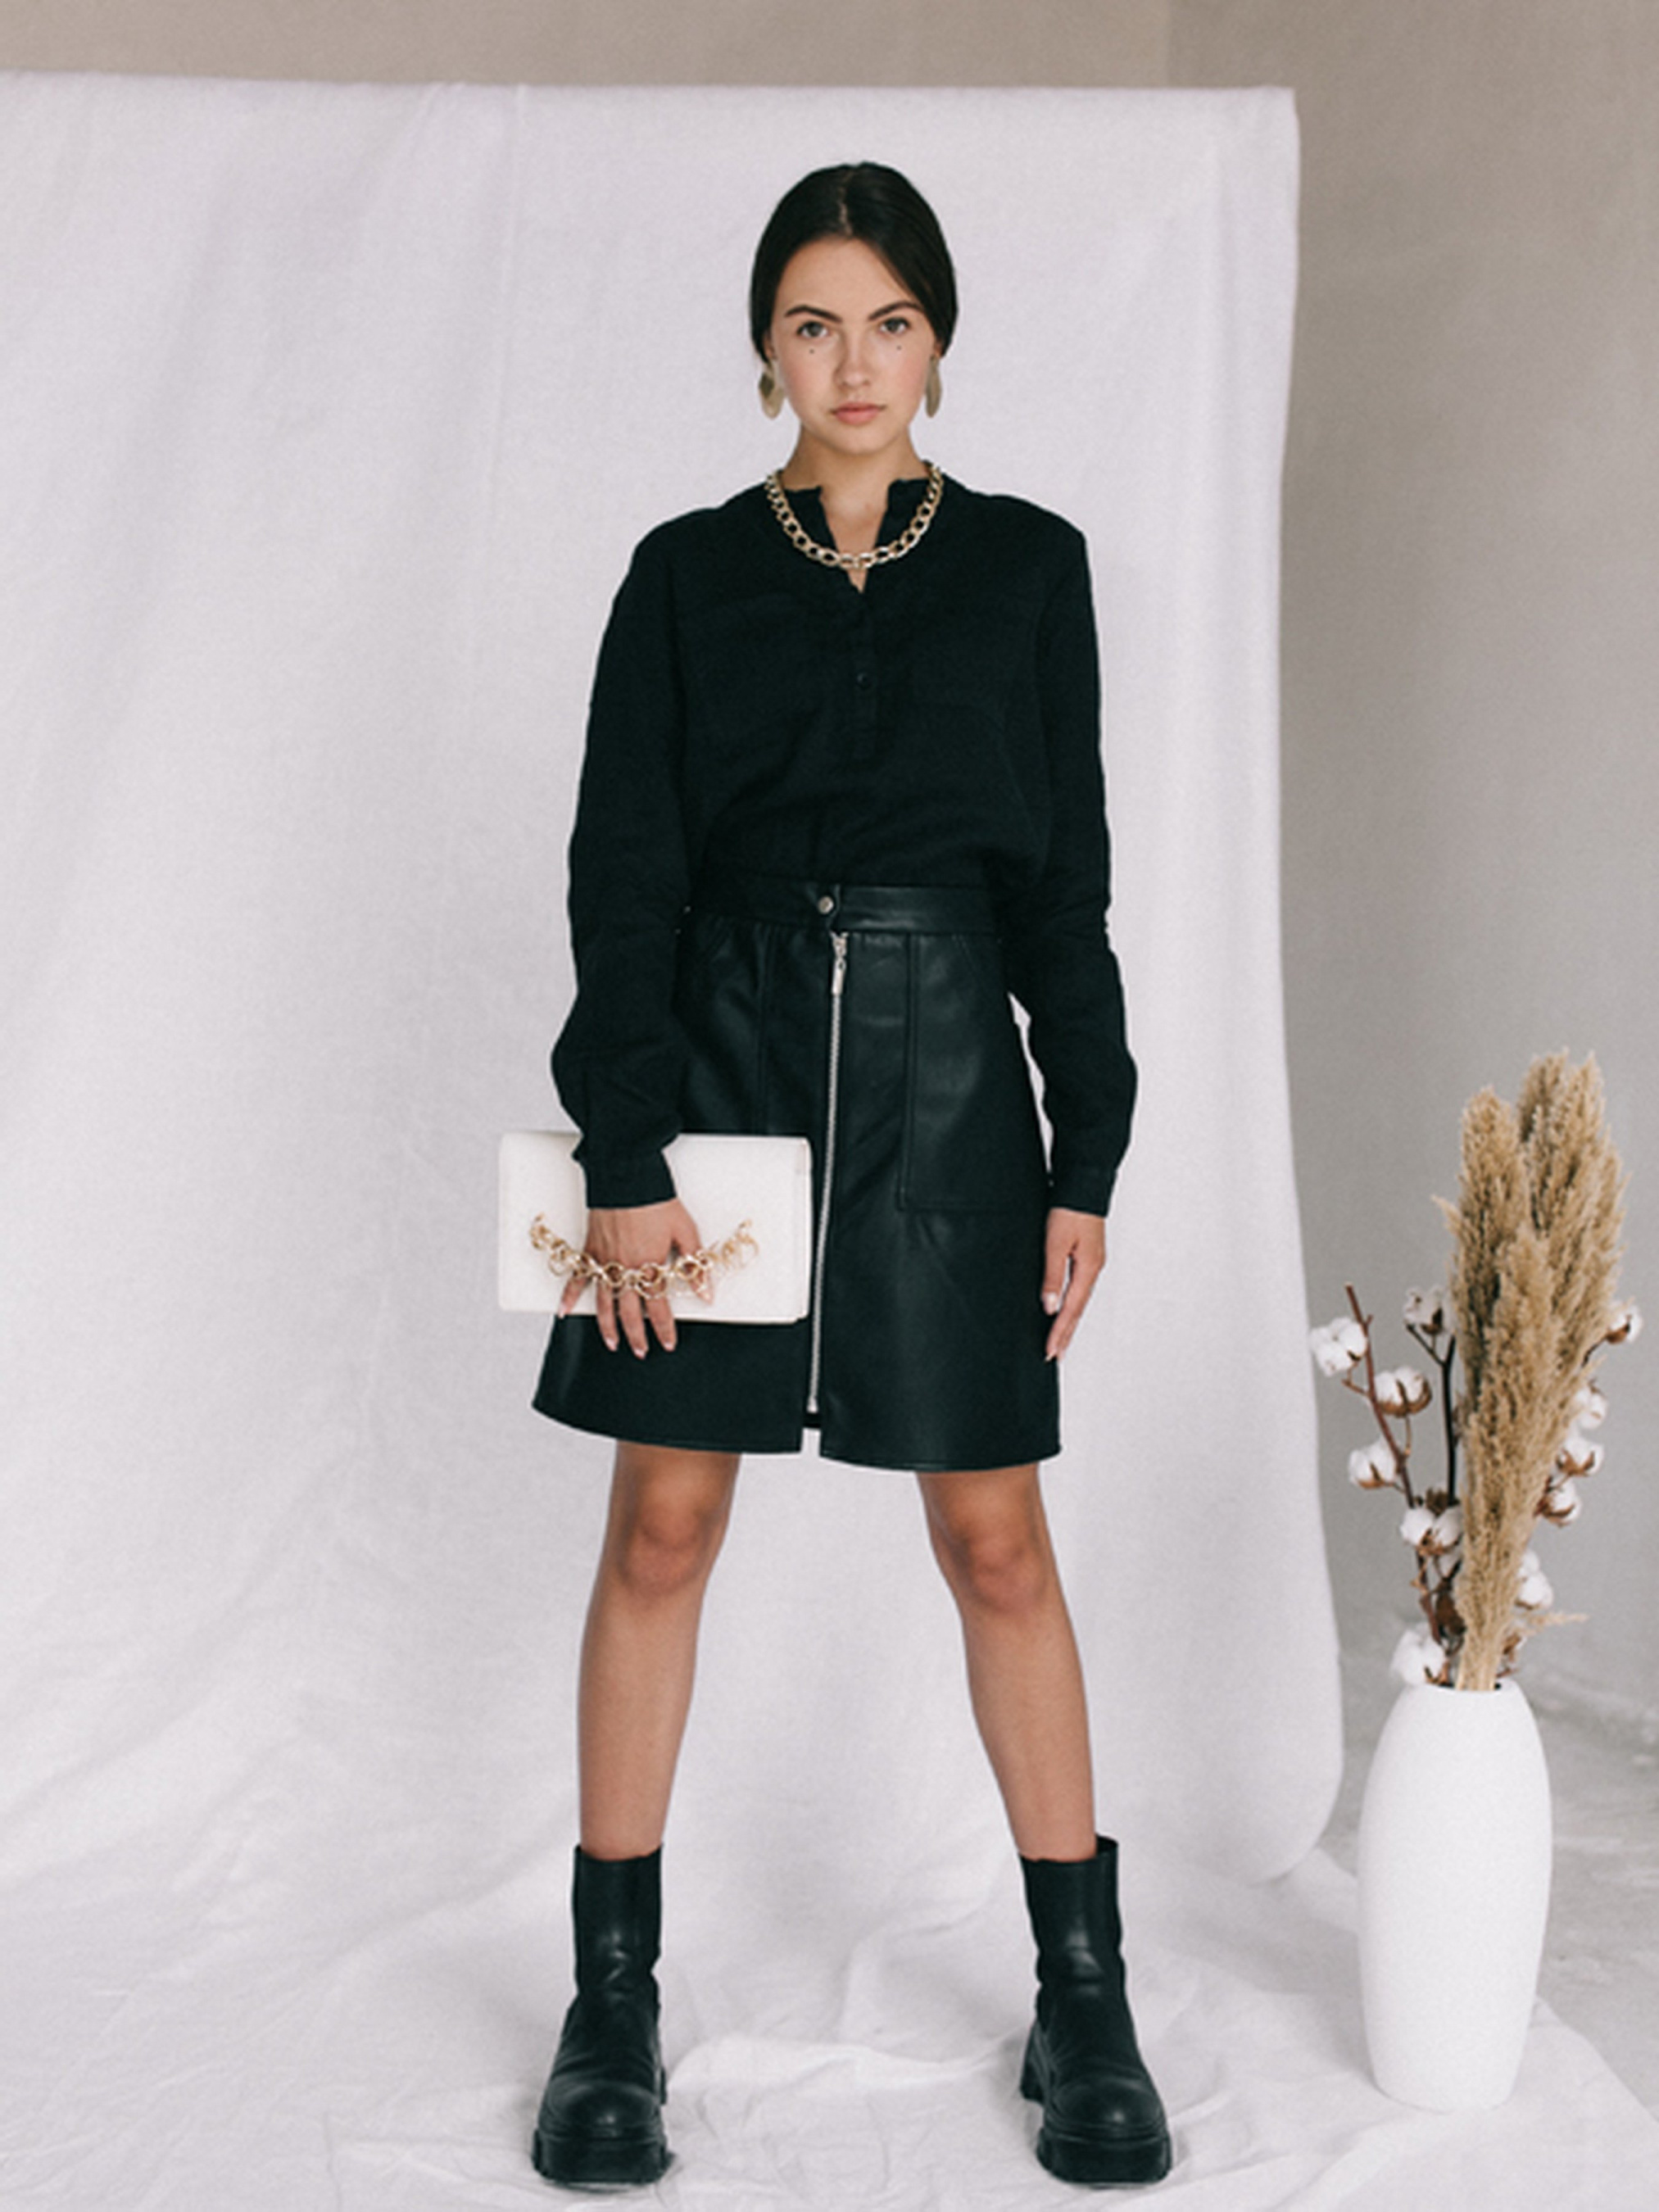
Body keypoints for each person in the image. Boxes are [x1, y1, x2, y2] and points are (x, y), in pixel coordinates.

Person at [528, 161, 1170, 2192]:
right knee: (661, 1529)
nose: (852, 362)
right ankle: (608, 2004)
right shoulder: (683, 576)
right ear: (764, 353)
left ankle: (1082, 2000)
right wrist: (622, 1147)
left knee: (995, 1542)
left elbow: (1061, 882)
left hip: (951, 1077)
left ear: (938, 342)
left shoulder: (1030, 569)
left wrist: (1087, 1148)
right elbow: (622, 875)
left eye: (887, 321)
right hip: (717, 1067)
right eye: (812, 324)